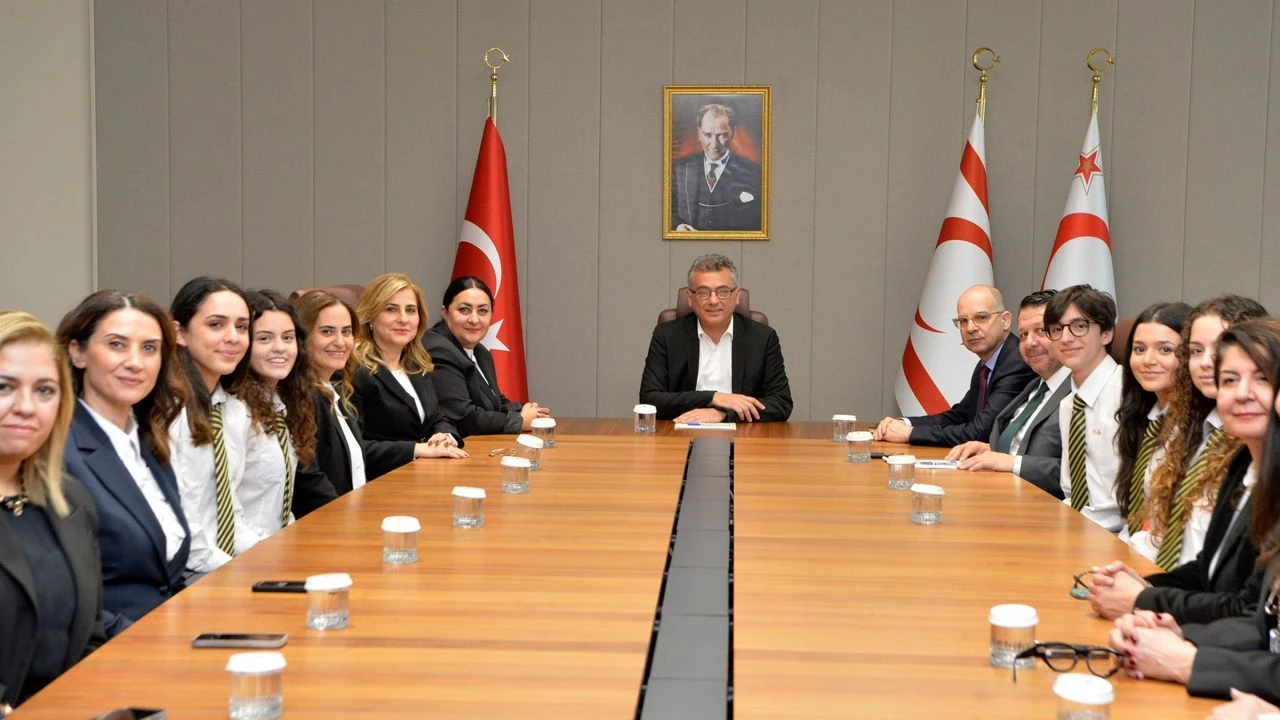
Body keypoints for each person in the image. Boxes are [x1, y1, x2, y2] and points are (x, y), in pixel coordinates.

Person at [1107, 320, 1280, 703]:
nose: (1243, 393)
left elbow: (1248, 610)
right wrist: (1168, 625)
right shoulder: (1242, 462)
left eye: (1264, 379)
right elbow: (1262, 624)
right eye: (1230, 380)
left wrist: (1185, 655)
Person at [1088, 296, 1269, 621]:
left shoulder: (1249, 447)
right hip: (1178, 592)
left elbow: (1246, 606)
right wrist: (1144, 586)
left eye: (1218, 348)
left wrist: (1146, 598)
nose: (1206, 363)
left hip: (1211, 621)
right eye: (1196, 350)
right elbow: (1205, 561)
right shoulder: (1199, 431)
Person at [57, 290, 191, 629]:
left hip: (169, 630)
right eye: (117, 344)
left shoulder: (148, 442)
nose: (135, 362)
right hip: (110, 645)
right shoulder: (59, 451)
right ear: (78, 352)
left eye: (149, 348)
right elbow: (59, 596)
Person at [0, 311, 106, 712]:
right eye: (4, 387)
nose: (27, 407)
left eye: (45, 390)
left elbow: (90, 636)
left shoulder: (70, 500)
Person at [290, 290, 456, 517]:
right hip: (334, 520)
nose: (340, 342)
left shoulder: (337, 392)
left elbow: (353, 467)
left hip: (364, 506)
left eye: (346, 332)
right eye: (327, 331)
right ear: (301, 337)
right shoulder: (306, 396)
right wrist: (353, 517)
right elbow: (309, 478)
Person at [945, 290, 1072, 498]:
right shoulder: (1035, 387)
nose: (1030, 343)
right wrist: (991, 449)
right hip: (1003, 493)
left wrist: (1012, 462)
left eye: (1041, 331)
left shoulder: (1079, 393)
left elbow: (1081, 474)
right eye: (1023, 335)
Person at [167, 277, 255, 575]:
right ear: (180, 333)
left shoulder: (234, 411)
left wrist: (267, 556)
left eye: (241, 327)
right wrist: (234, 572)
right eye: (216, 325)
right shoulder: (166, 412)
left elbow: (231, 512)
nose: (233, 337)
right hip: (182, 574)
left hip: (220, 566)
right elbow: (180, 523)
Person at [875, 284, 1036, 446]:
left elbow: (981, 431)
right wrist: (905, 424)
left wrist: (911, 434)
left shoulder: (1017, 362)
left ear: (1005, 320)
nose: (970, 328)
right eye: (963, 321)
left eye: (981, 317)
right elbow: (959, 416)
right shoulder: (986, 366)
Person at [638, 253, 792, 422]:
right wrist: (714, 397)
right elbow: (649, 399)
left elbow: (781, 403)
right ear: (690, 298)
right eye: (703, 292)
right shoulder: (667, 335)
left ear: (737, 296)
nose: (713, 300)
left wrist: (724, 414)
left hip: (742, 433)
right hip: (681, 430)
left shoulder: (763, 338)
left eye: (723, 292)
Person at [226, 290, 316, 537]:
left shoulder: (284, 403)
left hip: (278, 544)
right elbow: (226, 514)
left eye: (288, 338)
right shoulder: (235, 411)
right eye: (264, 338)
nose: (280, 348)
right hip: (244, 552)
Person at [349, 273, 468, 457]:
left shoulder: (416, 365)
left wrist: (444, 435)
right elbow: (352, 447)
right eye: (391, 309)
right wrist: (416, 449)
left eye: (411, 310)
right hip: (383, 474)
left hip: (422, 469)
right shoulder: (355, 371)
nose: (404, 319)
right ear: (370, 317)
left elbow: (437, 418)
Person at [423, 276, 550, 437]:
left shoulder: (480, 352)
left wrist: (528, 411)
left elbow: (495, 401)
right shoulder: (438, 350)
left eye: (482, 311)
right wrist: (520, 420)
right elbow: (463, 417)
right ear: (445, 312)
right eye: (464, 310)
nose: (474, 319)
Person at [1043, 284, 1124, 531]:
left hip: (1119, 535)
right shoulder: (1069, 404)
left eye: (1079, 326)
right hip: (1074, 524)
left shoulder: (1129, 396)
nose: (1066, 338)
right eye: (1057, 329)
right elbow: (1070, 491)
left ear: (1106, 333)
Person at [1115, 301, 1193, 553]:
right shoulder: (1144, 418)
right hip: (1130, 545)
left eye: (1165, 350)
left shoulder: (1195, 428)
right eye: (1139, 349)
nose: (1148, 360)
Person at [671, 103, 763, 232]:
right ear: (699, 134)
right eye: (708, 135)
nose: (714, 144)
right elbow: (667, 211)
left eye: (722, 135)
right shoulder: (679, 169)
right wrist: (678, 226)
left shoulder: (755, 173)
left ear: (733, 133)